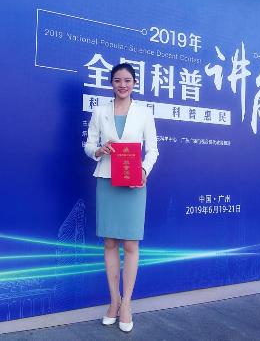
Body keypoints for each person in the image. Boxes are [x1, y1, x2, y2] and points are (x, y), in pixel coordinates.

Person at [84, 63, 159, 332]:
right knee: (109, 242)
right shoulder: (100, 111)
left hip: (133, 183)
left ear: (134, 83)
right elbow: (89, 145)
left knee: (130, 244)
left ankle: (127, 303)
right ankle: (113, 301)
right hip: (107, 180)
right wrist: (99, 150)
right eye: (117, 80)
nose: (122, 85)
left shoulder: (144, 113)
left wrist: (143, 170)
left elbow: (153, 150)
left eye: (127, 80)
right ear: (111, 83)